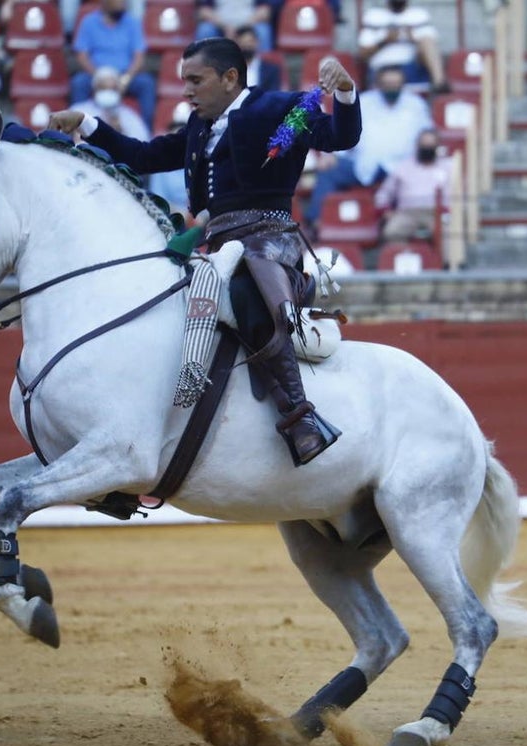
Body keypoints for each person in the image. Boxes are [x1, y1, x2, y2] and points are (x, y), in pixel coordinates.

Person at [48, 39, 360, 466]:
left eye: (196, 80)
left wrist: (343, 91)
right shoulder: (199, 126)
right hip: (216, 244)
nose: (187, 91)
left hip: (268, 238)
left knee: (246, 290)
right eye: (183, 82)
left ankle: (299, 415)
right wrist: (87, 123)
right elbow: (143, 155)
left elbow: (340, 136)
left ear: (230, 78)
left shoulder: (278, 109)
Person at [304, 65, 432, 232]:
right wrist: (332, 154)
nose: (392, 88)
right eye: (387, 84)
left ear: (403, 84)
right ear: (378, 84)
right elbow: (345, 130)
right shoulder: (364, 101)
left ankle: (391, 226)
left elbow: (427, 135)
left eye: (396, 84)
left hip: (401, 168)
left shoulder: (416, 105)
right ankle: (317, 222)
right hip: (363, 163)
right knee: (330, 170)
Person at [71, 0, 155, 128]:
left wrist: (125, 79)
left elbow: (139, 56)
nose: (123, 3)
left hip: (124, 76)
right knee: (79, 82)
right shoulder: (89, 22)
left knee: (146, 83)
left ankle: (146, 131)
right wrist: (99, 77)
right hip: (96, 74)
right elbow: (82, 54)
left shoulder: (132, 22)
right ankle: (77, 129)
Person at [373, 128, 450, 242]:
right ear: (417, 146)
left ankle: (449, 261)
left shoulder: (449, 167)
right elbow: (384, 193)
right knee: (392, 231)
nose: (427, 149)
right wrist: (385, 210)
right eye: (424, 145)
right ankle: (401, 258)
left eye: (430, 145)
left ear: (437, 147)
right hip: (408, 213)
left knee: (450, 235)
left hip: (437, 214)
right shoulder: (403, 167)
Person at [358, 0, 447, 92]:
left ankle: (440, 84)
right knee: (390, 77)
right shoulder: (374, 16)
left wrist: (413, 39)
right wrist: (385, 41)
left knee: (427, 41)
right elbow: (363, 54)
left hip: (412, 66)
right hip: (382, 68)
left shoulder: (419, 15)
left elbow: (431, 46)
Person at [69, 66, 150, 141]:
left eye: (112, 89)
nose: (107, 92)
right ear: (94, 89)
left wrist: (120, 132)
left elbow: (142, 143)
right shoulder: (78, 110)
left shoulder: (130, 116)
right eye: (103, 88)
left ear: (119, 91)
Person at [196, 0, 274, 51]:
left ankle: (263, 70)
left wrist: (243, 28)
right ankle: (201, 68)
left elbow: (265, 11)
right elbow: (203, 11)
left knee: (263, 31)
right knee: (205, 29)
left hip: (250, 24)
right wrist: (225, 27)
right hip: (219, 26)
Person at [235, 25, 281, 91]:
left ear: (257, 42)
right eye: (243, 43)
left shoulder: (271, 70)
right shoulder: (229, 69)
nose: (247, 46)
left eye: (250, 42)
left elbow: (273, 95)